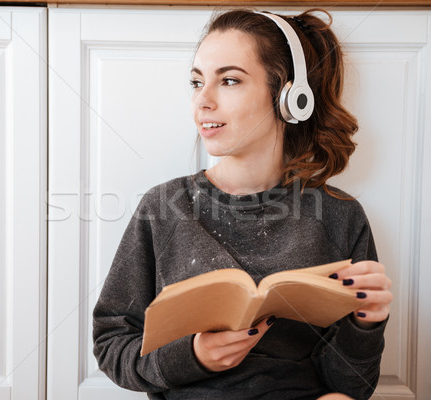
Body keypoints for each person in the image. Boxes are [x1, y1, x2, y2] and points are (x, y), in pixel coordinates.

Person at [93, 8, 392, 400]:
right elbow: (112, 344)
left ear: (289, 96)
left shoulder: (339, 215)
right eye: (197, 82)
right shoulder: (163, 207)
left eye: (229, 80)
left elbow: (350, 386)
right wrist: (194, 355)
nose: (202, 101)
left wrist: (365, 325)